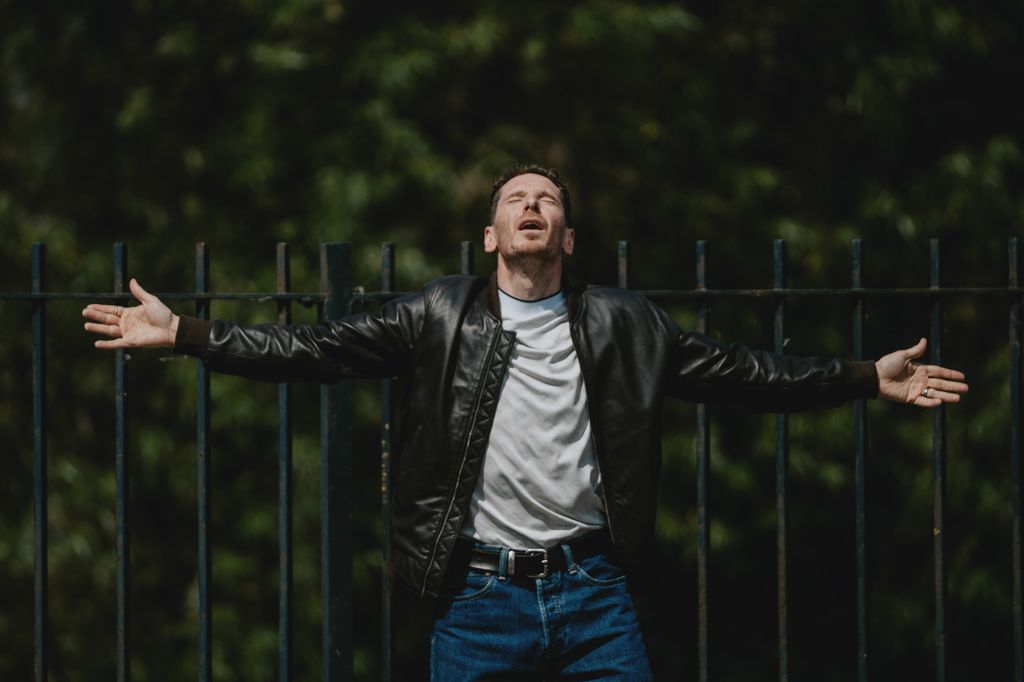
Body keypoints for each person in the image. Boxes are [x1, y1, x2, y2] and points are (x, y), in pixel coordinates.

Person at [83, 164, 968, 680]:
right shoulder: (437, 314)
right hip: (477, 598)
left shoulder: (627, 324)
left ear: (569, 240)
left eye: (548, 200)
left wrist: (865, 377)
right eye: (516, 199)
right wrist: (186, 333)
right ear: (491, 235)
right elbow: (311, 349)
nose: (533, 206)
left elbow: (746, 373)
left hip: (594, 592)